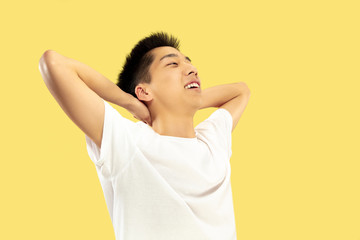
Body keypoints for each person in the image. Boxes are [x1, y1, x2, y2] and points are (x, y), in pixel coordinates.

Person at [38, 31, 251, 240]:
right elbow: (54, 64)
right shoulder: (126, 142)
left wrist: (190, 98)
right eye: (173, 64)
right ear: (144, 92)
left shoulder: (211, 141)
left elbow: (241, 91)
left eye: (188, 62)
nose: (192, 69)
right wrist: (129, 102)